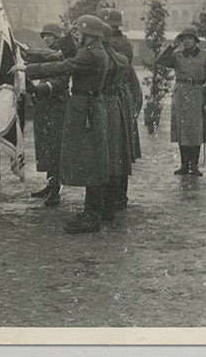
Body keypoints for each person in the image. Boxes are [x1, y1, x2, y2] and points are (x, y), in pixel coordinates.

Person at [19, 14, 109, 233]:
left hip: (85, 109)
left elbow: (63, 66)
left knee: (91, 160)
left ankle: (92, 216)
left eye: (79, 32)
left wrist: (27, 69)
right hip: (86, 106)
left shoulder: (90, 54)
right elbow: (62, 53)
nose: (75, 36)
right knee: (91, 159)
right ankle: (92, 210)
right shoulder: (93, 50)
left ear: (88, 34)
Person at [156, 26, 206, 176]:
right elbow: (161, 61)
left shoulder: (205, 56)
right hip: (181, 95)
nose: (187, 41)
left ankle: (194, 165)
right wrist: (172, 45)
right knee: (182, 130)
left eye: (190, 39)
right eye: (184, 39)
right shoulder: (177, 56)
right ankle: (184, 165)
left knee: (196, 130)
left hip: (197, 95)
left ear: (196, 41)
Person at [22, 22, 68, 206]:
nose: (46, 39)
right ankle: (50, 186)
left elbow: (60, 82)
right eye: (44, 36)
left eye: (49, 35)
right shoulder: (47, 55)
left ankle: (55, 190)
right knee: (46, 149)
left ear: (58, 37)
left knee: (55, 149)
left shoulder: (62, 56)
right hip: (44, 107)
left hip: (57, 106)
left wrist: (36, 89)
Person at [100, 22, 133, 219]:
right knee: (116, 156)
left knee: (108, 157)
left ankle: (107, 205)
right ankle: (114, 201)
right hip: (115, 107)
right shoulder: (120, 59)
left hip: (104, 107)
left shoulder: (102, 59)